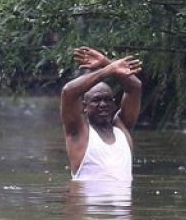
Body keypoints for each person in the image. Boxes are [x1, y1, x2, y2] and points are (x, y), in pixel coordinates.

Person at [60, 46, 142, 182]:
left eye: (107, 99)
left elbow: (135, 87)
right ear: (84, 106)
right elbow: (68, 92)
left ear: (114, 104)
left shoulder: (122, 127)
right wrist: (108, 70)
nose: (103, 104)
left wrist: (105, 62)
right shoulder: (78, 131)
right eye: (96, 100)